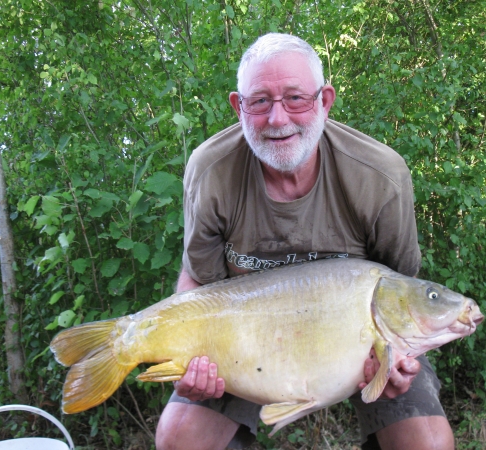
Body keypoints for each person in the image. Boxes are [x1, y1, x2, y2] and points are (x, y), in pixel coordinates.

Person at [155, 33, 454, 450]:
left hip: (357, 345)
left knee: (428, 445)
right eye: (259, 101)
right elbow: (198, 280)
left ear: (325, 101)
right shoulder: (211, 171)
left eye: (296, 98)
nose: (278, 119)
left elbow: (401, 296)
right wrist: (191, 362)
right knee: (178, 438)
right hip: (247, 343)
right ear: (237, 107)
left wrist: (399, 361)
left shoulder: (381, 177)